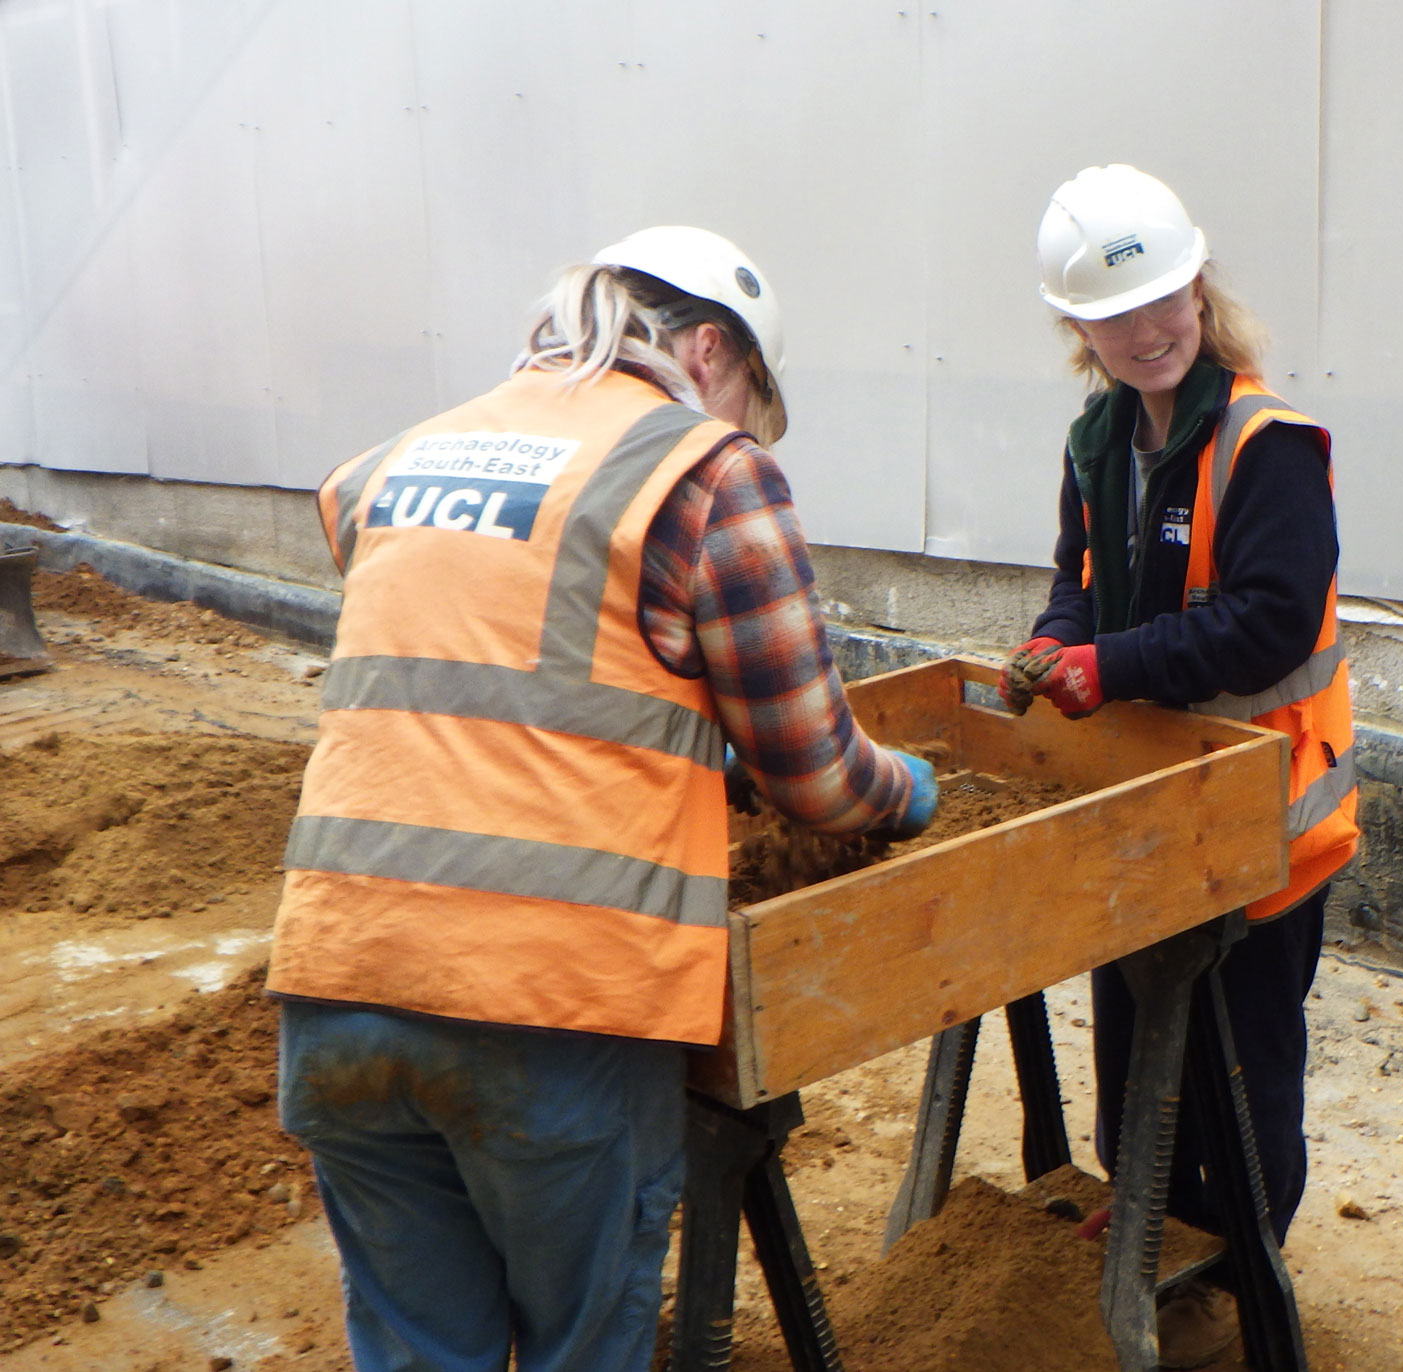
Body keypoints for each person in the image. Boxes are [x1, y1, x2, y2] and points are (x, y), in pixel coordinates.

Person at [267, 226, 938, 1372]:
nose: (737, 437)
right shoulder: (707, 472)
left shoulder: (397, 459)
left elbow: (505, 669)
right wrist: (909, 794)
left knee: (425, 1353)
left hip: (341, 987)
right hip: (552, 1008)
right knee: (588, 1345)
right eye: (748, 408)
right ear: (713, 352)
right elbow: (815, 775)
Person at [1002, 165, 1359, 1369]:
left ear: (1201, 292)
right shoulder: (1099, 436)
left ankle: (1241, 1264)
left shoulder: (1268, 446)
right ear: (1078, 329)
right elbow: (1080, 576)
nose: (1150, 332)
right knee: (1132, 1023)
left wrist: (1114, 661)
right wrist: (1061, 636)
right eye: (1117, 315)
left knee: (1241, 1056)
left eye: (1168, 302)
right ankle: (1150, 1202)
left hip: (1261, 813)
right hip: (1145, 807)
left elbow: (1267, 620)